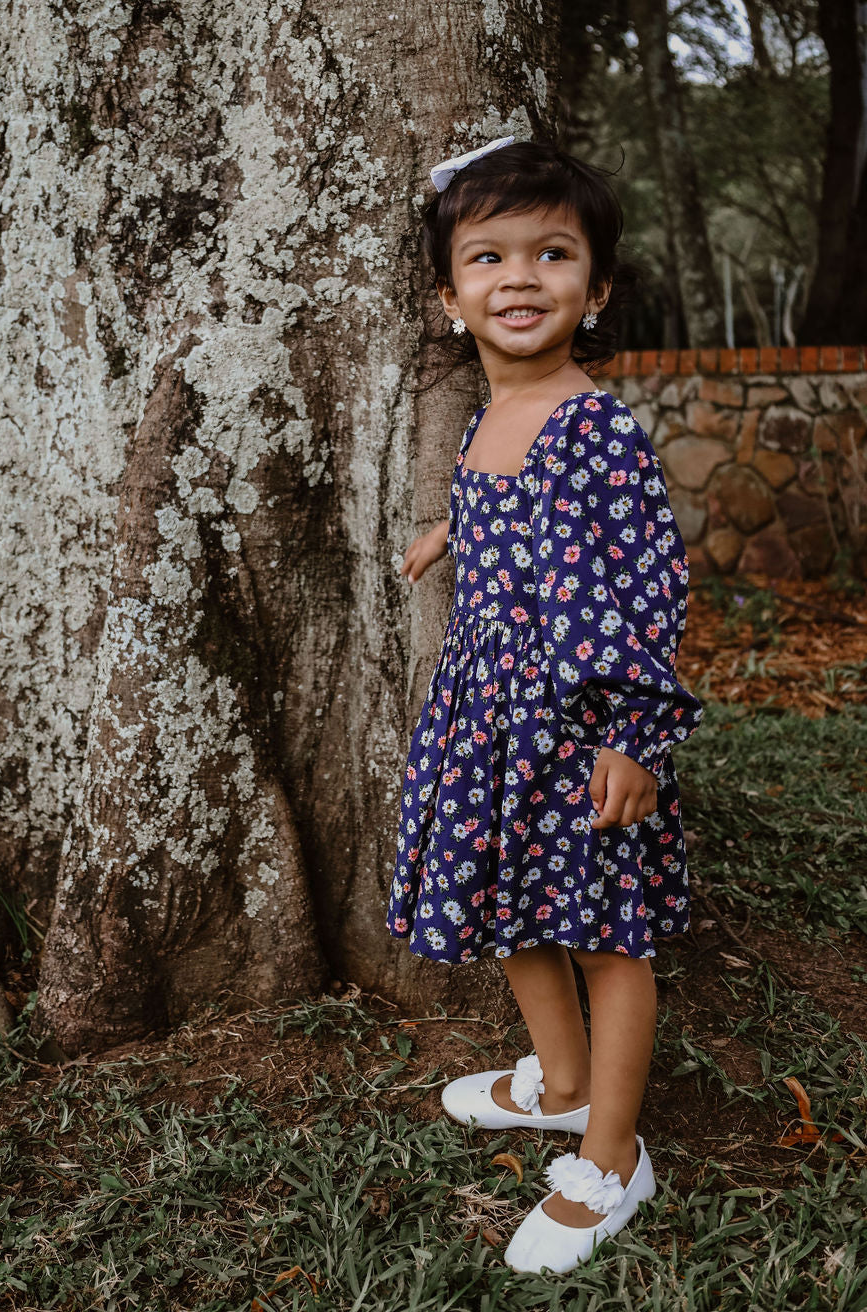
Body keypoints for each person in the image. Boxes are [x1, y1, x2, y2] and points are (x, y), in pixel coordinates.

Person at [385, 135, 704, 1275]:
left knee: (609, 935)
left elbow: (650, 583)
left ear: (596, 287)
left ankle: (612, 1157)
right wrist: (449, 532)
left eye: (551, 253)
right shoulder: (490, 415)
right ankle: (558, 1084)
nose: (518, 278)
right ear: (449, 295)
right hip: (486, 718)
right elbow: (507, 517)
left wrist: (635, 740)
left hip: (579, 733)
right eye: (488, 258)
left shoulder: (596, 426)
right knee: (509, 905)